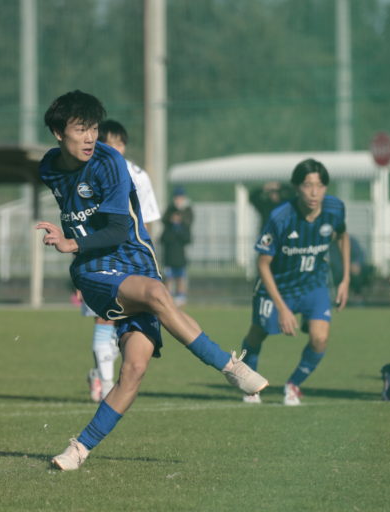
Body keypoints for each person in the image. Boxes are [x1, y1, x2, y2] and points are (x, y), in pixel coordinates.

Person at [35, 90, 268, 471]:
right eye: (81, 129)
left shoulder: (109, 162)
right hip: (94, 269)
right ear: (59, 133)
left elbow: (117, 229)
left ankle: (78, 450)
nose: (91, 137)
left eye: (94, 128)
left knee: (134, 370)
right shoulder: (48, 167)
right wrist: (72, 241)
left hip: (135, 260)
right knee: (159, 293)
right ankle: (229, 367)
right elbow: (77, 212)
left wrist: (71, 239)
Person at [238, 158, 350, 406]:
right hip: (277, 287)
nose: (314, 192)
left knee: (320, 339)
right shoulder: (281, 217)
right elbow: (262, 264)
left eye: (320, 186)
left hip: (313, 284)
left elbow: (343, 236)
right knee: (257, 334)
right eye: (307, 185)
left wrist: (345, 279)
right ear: (297, 187)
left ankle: (293, 385)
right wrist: (282, 308)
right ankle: (248, 382)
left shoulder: (335, 209)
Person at [81, 119, 163, 403]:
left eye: (120, 143)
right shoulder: (87, 173)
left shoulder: (138, 176)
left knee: (128, 323)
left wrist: (146, 261)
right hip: (99, 259)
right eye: (109, 143)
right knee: (103, 318)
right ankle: (105, 384)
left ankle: (100, 374)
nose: (115, 148)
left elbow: (147, 222)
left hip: (132, 260)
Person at [161, 186, 193, 306]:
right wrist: (172, 219)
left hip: (180, 252)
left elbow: (188, 224)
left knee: (180, 276)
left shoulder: (187, 210)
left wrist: (180, 220)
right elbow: (164, 221)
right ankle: (168, 297)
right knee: (168, 277)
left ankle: (181, 297)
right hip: (169, 252)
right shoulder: (170, 209)